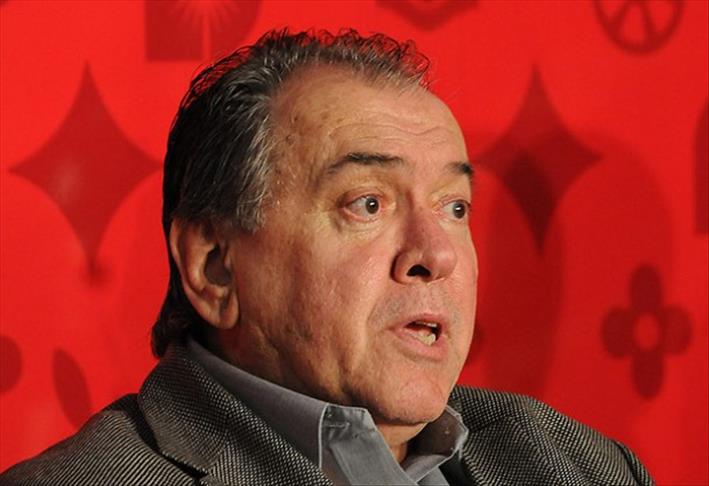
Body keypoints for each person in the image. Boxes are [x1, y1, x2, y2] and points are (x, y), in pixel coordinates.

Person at [1, 29, 654, 486]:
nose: (435, 254)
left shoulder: (578, 464)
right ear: (214, 267)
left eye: (454, 207)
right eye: (367, 203)